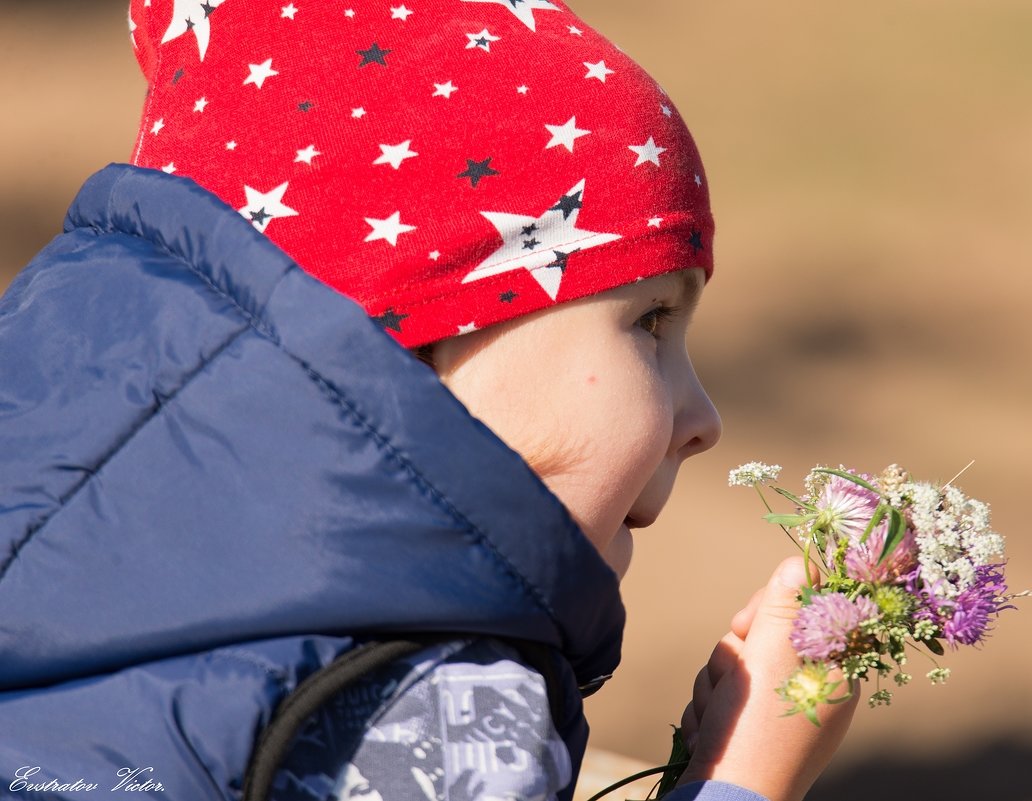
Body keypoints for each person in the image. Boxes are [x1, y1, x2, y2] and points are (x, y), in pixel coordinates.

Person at [0, 2, 856, 800]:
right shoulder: (438, 704)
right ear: (416, 334)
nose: (703, 416)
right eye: (652, 321)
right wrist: (740, 773)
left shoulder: (78, 561)